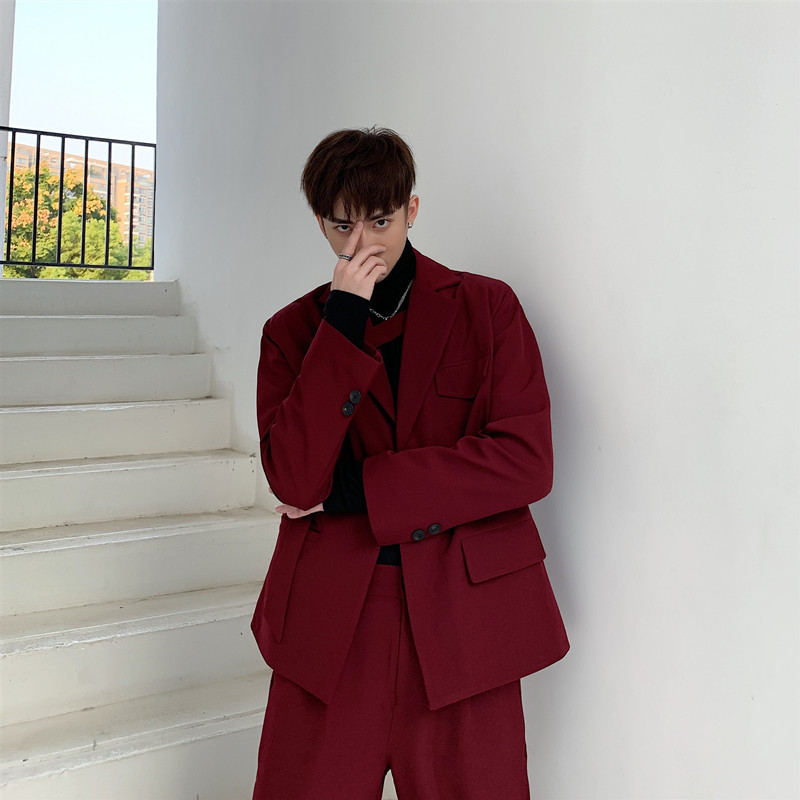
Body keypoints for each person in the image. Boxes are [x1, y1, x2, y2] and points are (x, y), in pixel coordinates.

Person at [251, 127, 569, 800]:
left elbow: (526, 462)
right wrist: (342, 322)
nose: (363, 243)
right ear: (320, 223)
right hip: (331, 625)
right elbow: (295, 481)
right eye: (343, 225)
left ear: (411, 211)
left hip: (466, 620)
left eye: (381, 220)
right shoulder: (291, 334)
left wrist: (360, 490)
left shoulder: (489, 309)